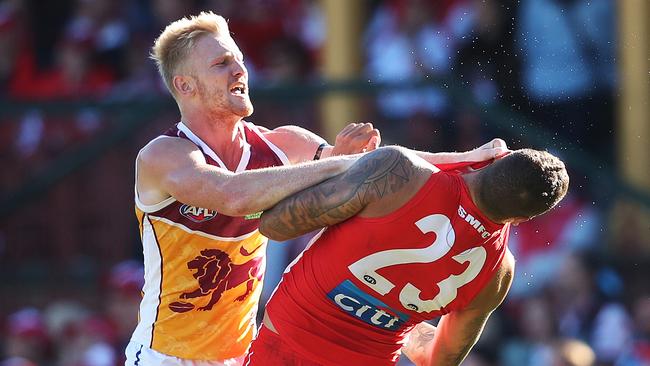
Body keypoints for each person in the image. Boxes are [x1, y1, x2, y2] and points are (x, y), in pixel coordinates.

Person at [126, 11, 505, 366]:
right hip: (165, 356)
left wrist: (468, 160)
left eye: (238, 59)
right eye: (221, 63)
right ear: (185, 85)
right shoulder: (164, 155)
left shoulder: (284, 143)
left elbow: (393, 172)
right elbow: (234, 195)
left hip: (241, 356)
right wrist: (346, 163)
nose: (240, 69)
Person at [247, 146, 570, 365]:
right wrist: (393, 321)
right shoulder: (498, 273)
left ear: (498, 157)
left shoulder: (400, 172)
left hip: (283, 343)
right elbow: (438, 360)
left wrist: (357, 162)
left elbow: (275, 225)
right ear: (523, 219)